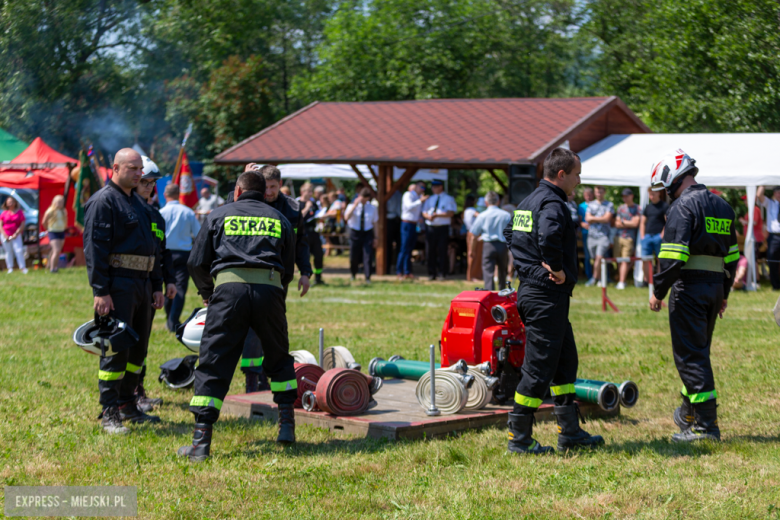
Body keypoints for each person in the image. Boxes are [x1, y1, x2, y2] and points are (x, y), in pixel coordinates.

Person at [179, 172, 297, 461]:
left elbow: (195, 262)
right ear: (264, 192)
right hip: (269, 290)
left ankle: (200, 443)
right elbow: (289, 268)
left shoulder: (219, 215)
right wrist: (274, 294)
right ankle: (287, 427)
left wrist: (209, 291)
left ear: (238, 190)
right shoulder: (279, 219)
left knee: (214, 360)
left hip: (228, 293)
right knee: (278, 356)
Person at [503, 147, 603, 455]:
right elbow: (548, 237)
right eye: (576, 175)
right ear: (561, 175)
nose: (579, 181)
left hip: (540, 294)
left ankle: (569, 432)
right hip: (545, 295)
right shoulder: (552, 203)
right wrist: (554, 268)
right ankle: (519, 438)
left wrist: (529, 266)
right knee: (538, 369)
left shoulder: (529, 200)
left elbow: (509, 232)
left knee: (565, 361)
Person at [648, 149, 738, 443]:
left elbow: (673, 257)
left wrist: (658, 291)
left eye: (666, 188)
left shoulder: (682, 207)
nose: (667, 195)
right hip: (713, 288)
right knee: (698, 352)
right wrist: (723, 293)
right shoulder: (723, 206)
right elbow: (733, 257)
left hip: (689, 289)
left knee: (691, 357)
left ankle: (705, 427)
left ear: (675, 178)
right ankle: (687, 413)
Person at [83, 148, 164, 433]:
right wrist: (100, 290)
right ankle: (109, 412)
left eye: (140, 169)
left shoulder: (141, 205)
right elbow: (95, 249)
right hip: (118, 286)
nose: (139, 174)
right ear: (115, 168)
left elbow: (153, 249)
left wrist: (157, 286)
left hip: (142, 285)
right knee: (115, 350)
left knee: (137, 351)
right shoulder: (104, 202)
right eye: (132, 168)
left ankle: (128, 404)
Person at [240, 164, 312, 393]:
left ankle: (267, 374)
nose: (268, 192)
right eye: (265, 186)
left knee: (273, 328)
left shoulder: (292, 208)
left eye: (272, 187)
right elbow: (230, 207)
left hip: (280, 278)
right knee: (252, 327)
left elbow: (301, 243)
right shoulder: (251, 202)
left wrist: (306, 272)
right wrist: (244, 177)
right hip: (253, 273)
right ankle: (251, 377)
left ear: (280, 185)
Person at [134, 156, 177, 413]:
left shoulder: (156, 216)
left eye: (153, 183)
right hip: (128, 286)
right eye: (145, 182)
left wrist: (168, 281)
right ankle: (127, 394)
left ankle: (138, 390)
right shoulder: (127, 210)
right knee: (127, 341)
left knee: (142, 342)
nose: (150, 187)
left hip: (151, 286)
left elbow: (163, 252)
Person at [160, 183, 201, 333]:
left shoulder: (160, 212)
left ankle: (168, 319)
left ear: (165, 195)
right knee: (180, 288)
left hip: (165, 254)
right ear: (179, 195)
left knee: (167, 288)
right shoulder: (188, 213)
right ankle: (173, 320)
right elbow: (199, 234)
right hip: (183, 253)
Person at [470, 191, 511, 290]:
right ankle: (503, 294)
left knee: (488, 273)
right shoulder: (506, 215)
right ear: (498, 201)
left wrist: (472, 250)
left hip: (488, 245)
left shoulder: (482, 215)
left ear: (486, 202)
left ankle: (490, 294)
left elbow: (474, 235)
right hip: (502, 245)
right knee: (502, 272)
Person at [422, 180, 457, 280]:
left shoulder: (448, 199)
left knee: (442, 250)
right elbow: (424, 212)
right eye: (433, 187)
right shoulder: (430, 199)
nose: (433, 189)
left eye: (435, 187)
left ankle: (443, 272)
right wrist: (428, 217)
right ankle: (431, 273)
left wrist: (438, 215)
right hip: (431, 227)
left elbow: (451, 213)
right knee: (430, 250)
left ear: (440, 187)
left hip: (442, 227)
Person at [344, 188, 378, 282]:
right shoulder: (351, 206)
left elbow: (375, 223)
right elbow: (346, 217)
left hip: (367, 232)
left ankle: (367, 276)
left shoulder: (372, 208)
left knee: (368, 255)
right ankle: (353, 274)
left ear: (368, 198)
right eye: (361, 198)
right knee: (354, 255)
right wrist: (355, 205)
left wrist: (376, 237)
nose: (362, 200)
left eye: (364, 198)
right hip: (355, 232)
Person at [584, 186, 614, 286]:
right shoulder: (591, 204)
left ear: (604, 192)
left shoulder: (609, 205)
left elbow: (606, 219)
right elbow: (587, 219)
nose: (599, 194)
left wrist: (594, 218)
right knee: (595, 258)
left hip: (603, 236)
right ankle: (601, 279)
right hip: (591, 236)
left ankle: (594, 279)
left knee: (599, 257)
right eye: (597, 192)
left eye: (601, 192)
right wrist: (600, 218)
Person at [397, 181, 428, 279]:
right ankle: (399, 271)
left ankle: (407, 272)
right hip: (406, 224)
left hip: (414, 224)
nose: (423, 190)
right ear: (416, 187)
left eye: (424, 188)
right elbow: (409, 206)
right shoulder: (408, 195)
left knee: (410, 249)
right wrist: (420, 201)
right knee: (404, 248)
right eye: (421, 187)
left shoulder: (418, 197)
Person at [640, 187, 669, 285]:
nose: (651, 196)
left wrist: (662, 235)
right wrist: (642, 236)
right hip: (647, 236)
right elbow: (642, 222)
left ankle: (659, 281)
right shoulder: (647, 207)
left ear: (658, 194)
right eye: (650, 194)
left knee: (660, 259)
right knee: (645, 259)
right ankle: (647, 281)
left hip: (658, 236)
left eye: (653, 194)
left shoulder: (664, 206)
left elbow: (667, 222)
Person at [614, 188, 640, 290]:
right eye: (623, 196)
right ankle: (621, 279)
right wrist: (628, 222)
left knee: (625, 260)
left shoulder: (637, 208)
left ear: (632, 196)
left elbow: (635, 223)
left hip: (629, 238)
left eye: (626, 196)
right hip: (618, 237)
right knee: (618, 260)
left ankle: (621, 281)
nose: (625, 198)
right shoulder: (621, 208)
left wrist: (623, 222)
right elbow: (616, 223)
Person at [299, 182, 325, 285]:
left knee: (319, 256)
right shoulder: (297, 203)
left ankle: (318, 278)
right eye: (308, 191)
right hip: (303, 234)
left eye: (311, 191)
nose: (310, 194)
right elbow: (298, 218)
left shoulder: (314, 203)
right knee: (306, 257)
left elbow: (317, 215)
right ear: (302, 191)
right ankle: (306, 277)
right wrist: (306, 207)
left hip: (314, 233)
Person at [757, 186, 780, 290]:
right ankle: (776, 285)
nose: (778, 195)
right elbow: (759, 195)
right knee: (772, 261)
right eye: (776, 193)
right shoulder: (770, 203)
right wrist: (763, 183)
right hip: (774, 236)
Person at [1, 196, 27, 274]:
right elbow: (0, 225)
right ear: (6, 204)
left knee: (19, 250)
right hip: (6, 235)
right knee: (8, 251)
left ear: (15, 203)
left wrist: (16, 233)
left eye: (12, 202)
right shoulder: (4, 213)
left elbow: (22, 224)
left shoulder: (19, 212)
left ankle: (23, 268)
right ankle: (10, 268)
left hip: (16, 234)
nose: (10, 204)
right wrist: (4, 235)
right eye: (9, 202)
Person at [42, 195, 67, 273]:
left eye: (62, 202)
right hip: (53, 232)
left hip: (61, 231)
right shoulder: (50, 211)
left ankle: (50, 265)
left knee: (55, 251)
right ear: (54, 202)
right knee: (57, 250)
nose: (61, 204)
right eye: (59, 202)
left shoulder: (63, 210)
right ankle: (53, 269)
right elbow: (43, 222)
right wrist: (48, 229)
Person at [578, 187, 594, 280]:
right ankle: (589, 275)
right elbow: (579, 220)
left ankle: (599, 275)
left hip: (595, 233)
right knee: (587, 255)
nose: (588, 197)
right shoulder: (581, 206)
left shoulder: (596, 204)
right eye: (586, 195)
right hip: (585, 233)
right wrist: (582, 224)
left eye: (589, 195)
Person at [386, 189, 402, 271]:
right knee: (389, 246)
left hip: (394, 220)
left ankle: (395, 267)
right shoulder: (398, 193)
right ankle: (390, 267)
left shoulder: (397, 193)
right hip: (392, 220)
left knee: (392, 246)